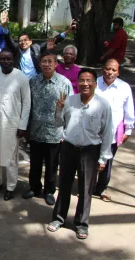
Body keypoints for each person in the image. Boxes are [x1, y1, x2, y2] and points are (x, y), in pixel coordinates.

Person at [48, 68, 113, 240]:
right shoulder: (69, 101)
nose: (85, 84)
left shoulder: (103, 105)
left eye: (89, 80)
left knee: (85, 189)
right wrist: (59, 109)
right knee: (64, 186)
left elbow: (107, 133)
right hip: (69, 148)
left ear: (94, 83)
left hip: (90, 151)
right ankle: (58, 218)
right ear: (78, 83)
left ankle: (81, 224)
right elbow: (58, 123)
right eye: (82, 80)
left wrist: (103, 158)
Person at [23, 51, 74, 205]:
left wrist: (67, 132)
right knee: (35, 163)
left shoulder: (64, 83)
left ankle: (49, 191)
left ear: (55, 64)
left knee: (52, 165)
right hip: (36, 131)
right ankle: (34, 188)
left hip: (55, 132)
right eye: (44, 61)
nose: (46, 64)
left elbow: (71, 109)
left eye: (49, 61)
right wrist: (26, 127)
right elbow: (27, 105)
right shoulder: (33, 81)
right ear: (39, 64)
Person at [0, 49, 31, 201]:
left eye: (8, 58)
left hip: (13, 124)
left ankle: (11, 186)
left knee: (10, 156)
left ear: (13, 60)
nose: (5, 61)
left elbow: (27, 103)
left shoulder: (21, 77)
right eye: (2, 59)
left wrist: (23, 125)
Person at [94, 59, 134, 201]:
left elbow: (129, 110)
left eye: (113, 70)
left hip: (113, 132)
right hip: (92, 131)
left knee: (108, 160)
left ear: (118, 72)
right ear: (102, 69)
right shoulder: (95, 83)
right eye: (107, 68)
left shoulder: (124, 87)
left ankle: (102, 187)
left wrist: (128, 130)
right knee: (91, 160)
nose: (109, 72)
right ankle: (89, 186)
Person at [3, 20, 74, 79]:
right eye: (21, 41)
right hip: (20, 81)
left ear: (30, 42)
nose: (23, 42)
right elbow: (9, 40)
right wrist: (5, 26)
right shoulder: (17, 50)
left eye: (25, 40)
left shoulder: (36, 48)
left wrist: (67, 31)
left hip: (35, 80)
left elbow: (53, 40)